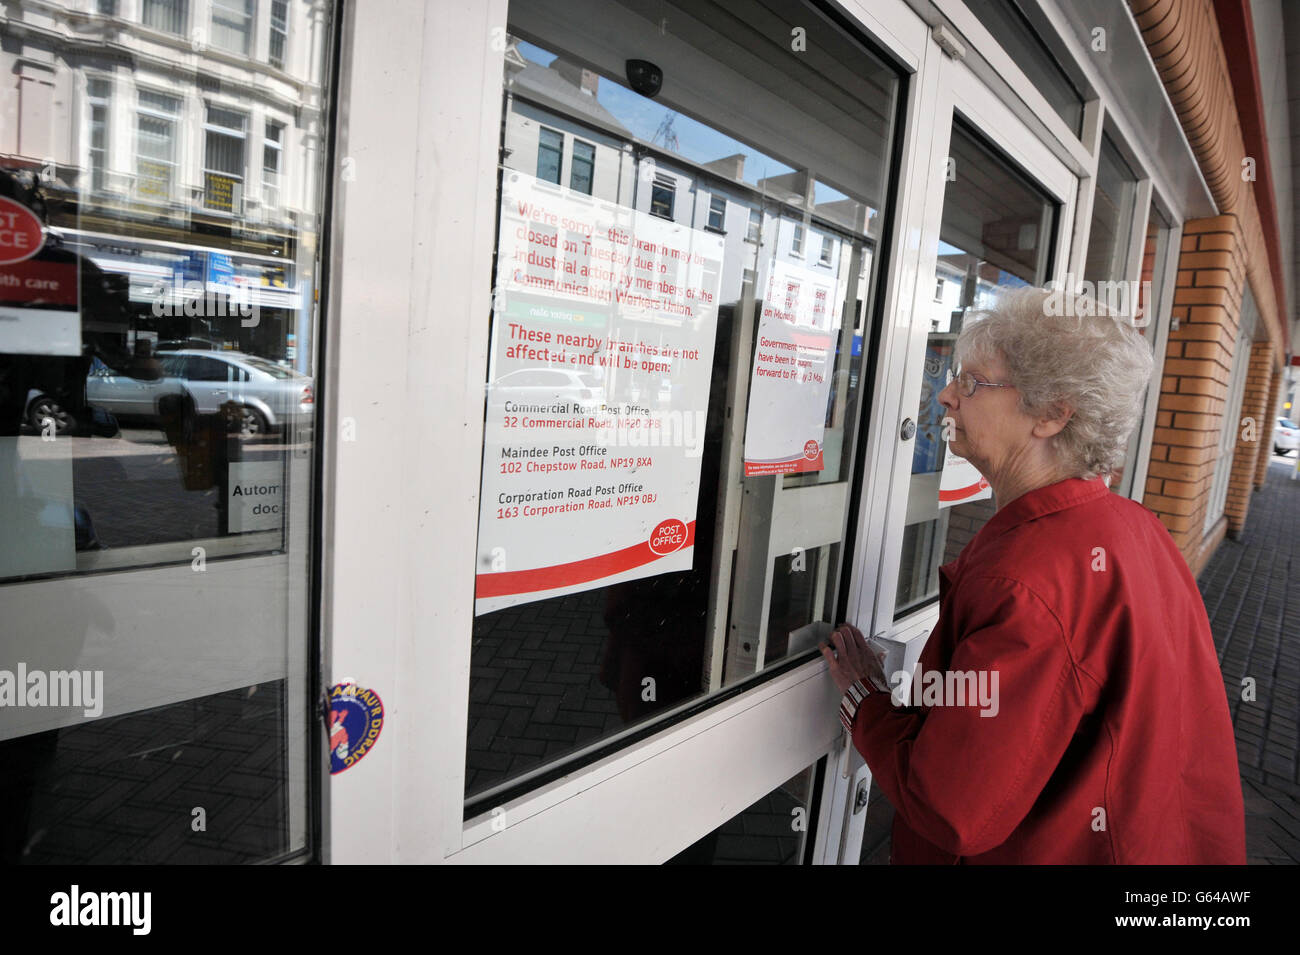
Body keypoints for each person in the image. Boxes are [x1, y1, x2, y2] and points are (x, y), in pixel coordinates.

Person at [822, 286, 1246, 864]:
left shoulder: (1027, 582)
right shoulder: (1137, 529)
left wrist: (864, 701)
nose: (946, 396)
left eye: (972, 382)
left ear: (1052, 413)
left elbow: (952, 808)